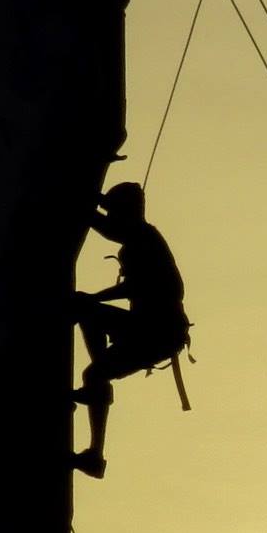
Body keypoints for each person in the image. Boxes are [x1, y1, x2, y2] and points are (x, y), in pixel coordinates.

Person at [71, 181, 189, 478]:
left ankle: (95, 450)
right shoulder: (139, 236)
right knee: (95, 370)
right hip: (151, 330)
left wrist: (96, 298)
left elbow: (135, 283)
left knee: (87, 317)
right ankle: (95, 451)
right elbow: (110, 226)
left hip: (157, 332)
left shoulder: (143, 239)